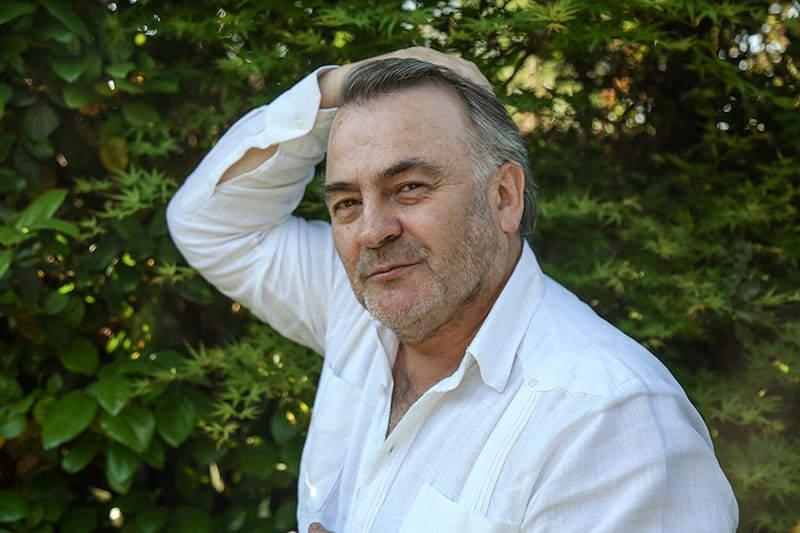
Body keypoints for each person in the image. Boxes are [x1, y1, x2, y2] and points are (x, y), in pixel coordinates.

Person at [167, 47, 738, 532]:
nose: (372, 231)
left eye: (410, 187)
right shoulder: (359, 307)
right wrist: (337, 87)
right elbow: (208, 224)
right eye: (346, 202)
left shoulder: (610, 424)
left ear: (504, 198)